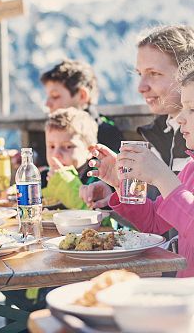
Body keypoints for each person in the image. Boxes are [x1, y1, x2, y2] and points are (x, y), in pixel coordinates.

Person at [80, 56, 194, 278]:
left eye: (193, 109)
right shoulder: (191, 168)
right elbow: (153, 222)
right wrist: (120, 184)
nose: (180, 118)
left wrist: (163, 177)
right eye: (183, 108)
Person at [80, 25, 194, 210]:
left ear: (186, 73)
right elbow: (157, 220)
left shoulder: (189, 140)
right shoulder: (157, 134)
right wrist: (118, 192)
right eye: (140, 74)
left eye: (154, 73)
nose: (141, 87)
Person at [40, 58, 123, 152]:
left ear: (82, 96)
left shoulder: (106, 134)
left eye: (55, 96)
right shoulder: (55, 129)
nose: (47, 104)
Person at [41, 107, 99, 209]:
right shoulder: (44, 177)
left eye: (67, 147)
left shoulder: (96, 180)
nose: (56, 154)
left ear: (90, 150)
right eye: (51, 146)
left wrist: (67, 183)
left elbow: (97, 215)